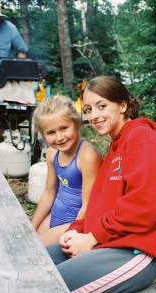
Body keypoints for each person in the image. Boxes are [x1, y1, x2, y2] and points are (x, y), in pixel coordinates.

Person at [46, 76, 156, 293]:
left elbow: (146, 206)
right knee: (35, 262)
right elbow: (100, 204)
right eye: (88, 109)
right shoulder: (115, 147)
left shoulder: (142, 138)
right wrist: (78, 229)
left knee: (50, 289)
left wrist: (93, 237)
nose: (94, 115)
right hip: (108, 241)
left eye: (102, 106)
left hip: (135, 252)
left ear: (123, 106)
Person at [31, 95, 102, 246]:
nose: (59, 137)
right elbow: (49, 193)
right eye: (50, 132)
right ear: (43, 134)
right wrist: (32, 226)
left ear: (76, 123)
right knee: (30, 244)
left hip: (74, 223)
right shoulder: (52, 152)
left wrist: (73, 233)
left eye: (64, 128)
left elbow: (88, 206)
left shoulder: (88, 156)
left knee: (37, 251)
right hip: (55, 215)